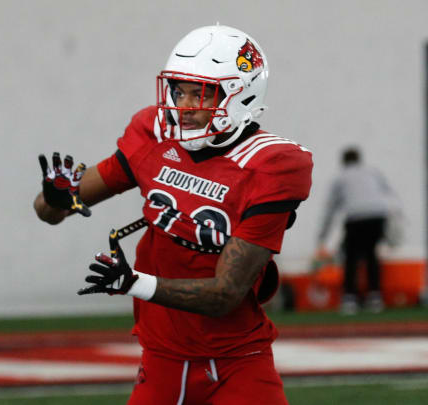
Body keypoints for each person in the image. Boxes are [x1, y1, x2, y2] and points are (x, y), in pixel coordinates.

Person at [34, 24, 312, 405]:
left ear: (241, 95)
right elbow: (52, 212)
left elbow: (225, 294)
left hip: (239, 360)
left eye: (201, 93)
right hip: (163, 358)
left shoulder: (271, 165)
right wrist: (54, 197)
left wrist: (135, 283)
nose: (184, 106)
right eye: (180, 91)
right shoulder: (153, 134)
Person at [316, 147, 398, 315]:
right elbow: (389, 195)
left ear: (344, 161)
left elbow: (331, 208)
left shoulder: (341, 177)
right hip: (377, 215)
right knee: (371, 256)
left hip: (356, 218)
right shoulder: (373, 172)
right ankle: (375, 296)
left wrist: (322, 236)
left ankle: (350, 298)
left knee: (351, 257)